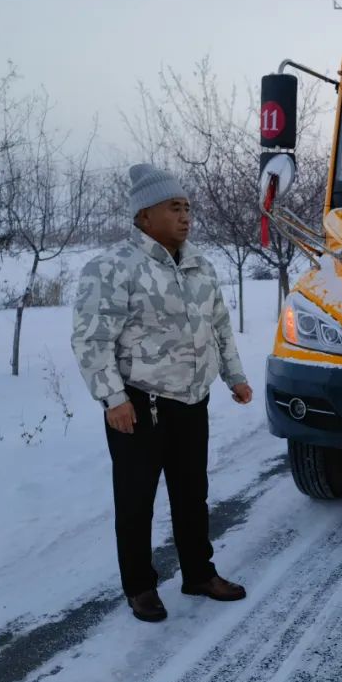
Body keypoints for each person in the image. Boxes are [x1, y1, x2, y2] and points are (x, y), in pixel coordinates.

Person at [72, 163, 253, 623]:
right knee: (136, 501)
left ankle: (198, 573)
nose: (186, 216)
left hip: (192, 401)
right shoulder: (113, 267)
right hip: (139, 404)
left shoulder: (200, 265)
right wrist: (113, 399)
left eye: (188, 207)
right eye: (175, 207)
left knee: (192, 494)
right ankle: (140, 587)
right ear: (144, 215)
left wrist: (234, 376)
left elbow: (219, 326)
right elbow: (92, 339)